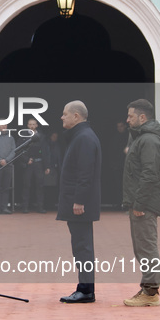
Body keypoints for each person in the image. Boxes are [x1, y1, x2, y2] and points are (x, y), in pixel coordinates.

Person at [56, 101, 101, 304]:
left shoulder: (83, 138)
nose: (61, 117)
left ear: (76, 116)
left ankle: (85, 290)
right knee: (81, 246)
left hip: (80, 205)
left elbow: (85, 173)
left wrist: (79, 200)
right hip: (78, 202)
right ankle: (84, 288)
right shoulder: (81, 136)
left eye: (65, 114)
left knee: (82, 247)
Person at [122, 99, 160, 307]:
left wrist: (139, 204)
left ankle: (150, 292)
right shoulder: (143, 138)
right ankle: (148, 289)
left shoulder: (148, 140)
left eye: (131, 116)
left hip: (145, 205)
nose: (127, 119)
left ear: (142, 117)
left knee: (146, 247)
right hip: (141, 202)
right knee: (142, 247)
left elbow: (149, 174)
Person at [18, 118, 49, 213]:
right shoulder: (22, 136)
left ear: (37, 125)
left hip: (39, 164)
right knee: (26, 185)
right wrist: (26, 159)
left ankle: (40, 207)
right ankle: (25, 207)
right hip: (28, 164)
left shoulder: (42, 136)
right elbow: (19, 150)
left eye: (33, 124)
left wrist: (47, 166)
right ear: (27, 125)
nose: (32, 126)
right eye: (30, 124)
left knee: (40, 186)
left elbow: (46, 151)